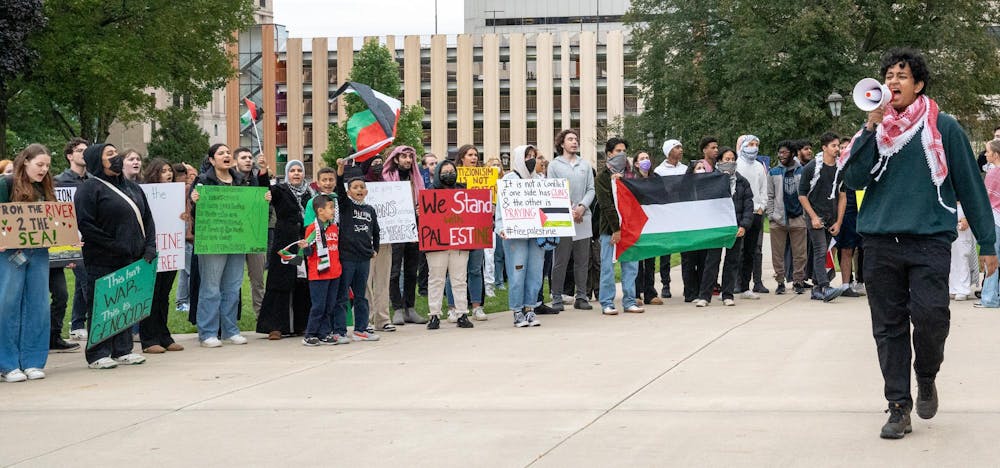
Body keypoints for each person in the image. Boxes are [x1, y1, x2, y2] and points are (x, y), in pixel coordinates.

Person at [840, 47, 998, 439]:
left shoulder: (944, 127)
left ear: (919, 84)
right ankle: (898, 406)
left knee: (931, 318)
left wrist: (988, 243)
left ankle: (926, 375)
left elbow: (971, 186)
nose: (893, 82)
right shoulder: (874, 131)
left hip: (928, 239)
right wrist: (869, 130)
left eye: (902, 76)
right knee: (888, 327)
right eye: (889, 76)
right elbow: (854, 180)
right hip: (879, 241)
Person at [75, 143, 155, 369]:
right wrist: (114, 245)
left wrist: (149, 246)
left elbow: (148, 219)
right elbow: (86, 225)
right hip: (102, 258)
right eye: (109, 154)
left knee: (125, 304)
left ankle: (123, 349)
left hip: (132, 257)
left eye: (116, 152)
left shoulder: (134, 188)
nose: (116, 157)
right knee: (103, 304)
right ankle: (98, 353)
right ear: (96, 161)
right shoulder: (89, 188)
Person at [190, 144, 260, 348]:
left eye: (228, 153)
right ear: (212, 160)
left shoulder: (241, 181)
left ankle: (230, 330)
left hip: (237, 239)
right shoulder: (203, 181)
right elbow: (196, 214)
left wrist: (262, 199)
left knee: (232, 286)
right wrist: (194, 201)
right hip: (214, 241)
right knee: (211, 287)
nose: (226, 155)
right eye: (221, 153)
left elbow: (250, 208)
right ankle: (208, 332)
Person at [0, 144, 57, 381]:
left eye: (47, 166)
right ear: (25, 161)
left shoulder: (45, 187)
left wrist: (68, 237)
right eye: (39, 164)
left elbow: (55, 221)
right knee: (8, 305)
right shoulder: (6, 184)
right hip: (9, 252)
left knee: (39, 305)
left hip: (39, 252)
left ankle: (33, 360)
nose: (43, 170)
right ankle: (7, 363)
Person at [496, 145, 551, 327]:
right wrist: (501, 227)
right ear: (519, 157)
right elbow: (500, 209)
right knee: (517, 272)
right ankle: (517, 310)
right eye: (527, 156)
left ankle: (530, 308)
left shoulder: (540, 180)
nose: (531, 159)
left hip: (536, 235)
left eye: (533, 156)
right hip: (516, 236)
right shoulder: (509, 179)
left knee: (535, 273)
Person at [257, 160, 312, 339]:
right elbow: (264, 191)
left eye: (299, 170)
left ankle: (301, 324)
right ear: (287, 174)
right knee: (280, 281)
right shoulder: (280, 190)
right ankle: (275, 326)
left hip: (304, 243)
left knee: (302, 282)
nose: (296, 173)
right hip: (285, 242)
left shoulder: (310, 193)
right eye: (292, 171)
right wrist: (264, 171)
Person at [137, 159, 183, 353]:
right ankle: (148, 339)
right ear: (154, 173)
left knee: (164, 295)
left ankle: (164, 335)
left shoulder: (176, 194)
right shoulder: (144, 192)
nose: (168, 174)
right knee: (152, 295)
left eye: (169, 170)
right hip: (151, 249)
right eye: (163, 171)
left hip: (170, 250)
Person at [423, 160, 476, 330]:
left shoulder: (463, 191)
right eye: (445, 171)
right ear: (438, 173)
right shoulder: (429, 193)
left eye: (451, 171)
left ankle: (462, 313)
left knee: (460, 280)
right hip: (436, 244)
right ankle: (434, 315)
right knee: (436, 279)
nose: (449, 174)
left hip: (459, 244)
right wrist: (420, 212)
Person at [547, 129, 595, 312]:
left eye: (576, 139)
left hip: (583, 217)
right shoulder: (554, 165)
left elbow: (591, 189)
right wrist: (569, 209)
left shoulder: (585, 165)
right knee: (561, 259)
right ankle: (557, 296)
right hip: (562, 218)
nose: (574, 142)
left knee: (583, 260)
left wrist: (582, 207)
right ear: (561, 144)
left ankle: (581, 296)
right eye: (570, 139)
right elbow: (552, 189)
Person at [334, 159, 381, 341]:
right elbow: (339, 187)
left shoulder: (370, 209)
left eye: (362, 187)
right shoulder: (346, 206)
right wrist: (340, 169)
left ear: (366, 191)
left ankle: (361, 329)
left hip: (364, 258)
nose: (359, 190)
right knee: (342, 295)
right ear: (348, 192)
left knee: (361, 296)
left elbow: (376, 231)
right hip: (347, 258)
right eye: (355, 187)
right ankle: (339, 330)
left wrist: (374, 248)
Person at [596, 138, 643, 315]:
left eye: (624, 150)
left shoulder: (631, 176)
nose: (622, 154)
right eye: (618, 151)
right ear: (609, 154)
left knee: (631, 266)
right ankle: (607, 302)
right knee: (608, 267)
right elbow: (606, 205)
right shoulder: (602, 177)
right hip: (610, 229)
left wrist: (624, 183)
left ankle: (630, 300)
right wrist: (616, 229)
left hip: (630, 228)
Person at [799, 132, 847, 302]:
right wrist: (812, 217)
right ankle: (825, 287)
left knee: (824, 251)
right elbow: (802, 194)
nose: (837, 149)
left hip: (831, 216)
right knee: (820, 250)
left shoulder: (840, 168)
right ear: (824, 148)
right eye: (833, 146)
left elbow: (842, 196)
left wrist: (839, 221)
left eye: (838, 145)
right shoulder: (811, 168)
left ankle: (817, 288)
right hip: (815, 216)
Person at [51, 137, 91, 347]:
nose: (84, 153)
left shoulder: (92, 181)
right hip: (68, 242)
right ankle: (87, 324)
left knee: (81, 283)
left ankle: (76, 324)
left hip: (90, 239)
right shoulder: (59, 182)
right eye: (79, 150)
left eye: (86, 150)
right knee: (85, 281)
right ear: (69, 155)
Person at [384, 146, 427, 325]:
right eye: (404, 156)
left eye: (411, 157)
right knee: (393, 272)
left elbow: (425, 200)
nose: (408, 160)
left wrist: (420, 208)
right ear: (395, 159)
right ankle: (397, 308)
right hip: (394, 230)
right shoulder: (385, 179)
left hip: (413, 228)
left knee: (411, 270)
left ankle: (410, 308)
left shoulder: (416, 179)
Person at [445, 144, 488, 321]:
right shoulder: (452, 179)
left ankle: (476, 306)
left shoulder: (484, 178)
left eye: (476, 155)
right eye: (470, 154)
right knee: (454, 271)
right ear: (462, 157)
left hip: (478, 228)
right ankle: (453, 307)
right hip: (457, 229)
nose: (474, 158)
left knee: (475, 270)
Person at [298, 194, 346, 346]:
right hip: (319, 274)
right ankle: (310, 334)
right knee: (319, 306)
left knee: (330, 305)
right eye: (330, 208)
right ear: (320, 211)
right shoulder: (313, 228)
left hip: (334, 272)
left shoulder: (333, 227)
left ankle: (324, 333)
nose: (333, 211)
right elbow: (309, 254)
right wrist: (305, 248)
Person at [766, 140, 809, 295]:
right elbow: (769, 196)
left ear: (792, 153)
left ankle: (798, 281)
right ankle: (780, 282)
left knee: (800, 253)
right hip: (778, 219)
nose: (781, 155)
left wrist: (805, 215)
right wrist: (771, 215)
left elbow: (806, 193)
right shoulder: (773, 172)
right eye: (779, 152)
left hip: (798, 217)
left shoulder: (802, 171)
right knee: (777, 254)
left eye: (784, 152)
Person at [234, 147, 270, 316]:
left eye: (250, 157)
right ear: (235, 162)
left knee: (258, 279)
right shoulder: (229, 181)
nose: (248, 160)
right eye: (243, 157)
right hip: (234, 236)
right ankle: (232, 315)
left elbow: (266, 192)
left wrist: (263, 170)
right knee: (232, 280)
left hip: (254, 234)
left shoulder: (258, 180)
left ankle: (261, 315)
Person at [362, 156, 396, 332]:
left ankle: (383, 319)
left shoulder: (390, 187)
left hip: (385, 240)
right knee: (365, 282)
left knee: (383, 280)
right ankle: (365, 319)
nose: (378, 166)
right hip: (365, 243)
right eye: (374, 163)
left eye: (380, 163)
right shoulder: (360, 187)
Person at [717, 148, 755, 306]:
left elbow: (748, 205)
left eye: (733, 159)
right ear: (719, 161)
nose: (730, 162)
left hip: (736, 227)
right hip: (718, 228)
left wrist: (744, 225)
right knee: (712, 261)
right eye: (726, 159)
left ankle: (728, 294)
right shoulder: (712, 179)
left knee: (732, 261)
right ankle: (705, 294)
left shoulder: (742, 181)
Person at [734, 135, 769, 297]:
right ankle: (735, 283)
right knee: (737, 250)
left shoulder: (759, 166)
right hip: (740, 214)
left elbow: (763, 189)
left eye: (756, 144)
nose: (753, 147)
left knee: (751, 250)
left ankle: (746, 285)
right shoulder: (736, 165)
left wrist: (761, 206)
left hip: (756, 213)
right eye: (750, 144)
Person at [654, 139, 688, 299]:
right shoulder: (659, 171)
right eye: (677, 147)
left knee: (686, 251)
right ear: (669, 151)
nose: (681, 150)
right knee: (665, 251)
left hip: (682, 214)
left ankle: (688, 284)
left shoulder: (686, 169)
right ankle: (665, 284)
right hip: (666, 215)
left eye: (681, 147)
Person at [632, 151, 662, 306]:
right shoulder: (632, 180)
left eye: (647, 158)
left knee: (650, 258)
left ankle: (650, 292)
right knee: (637, 259)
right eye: (642, 159)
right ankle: (636, 293)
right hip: (637, 223)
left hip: (652, 223)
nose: (645, 161)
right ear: (636, 164)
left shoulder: (656, 179)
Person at [174, 163, 195, 313]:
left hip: (185, 236)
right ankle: (184, 301)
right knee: (191, 270)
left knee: (185, 271)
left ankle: (181, 301)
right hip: (187, 237)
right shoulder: (185, 190)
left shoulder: (180, 191)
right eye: (188, 175)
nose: (190, 178)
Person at [483, 155, 504, 298]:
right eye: (493, 165)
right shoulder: (482, 183)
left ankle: (490, 285)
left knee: (493, 255)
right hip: (483, 223)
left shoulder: (503, 183)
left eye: (498, 165)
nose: (496, 167)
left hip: (496, 223)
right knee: (486, 257)